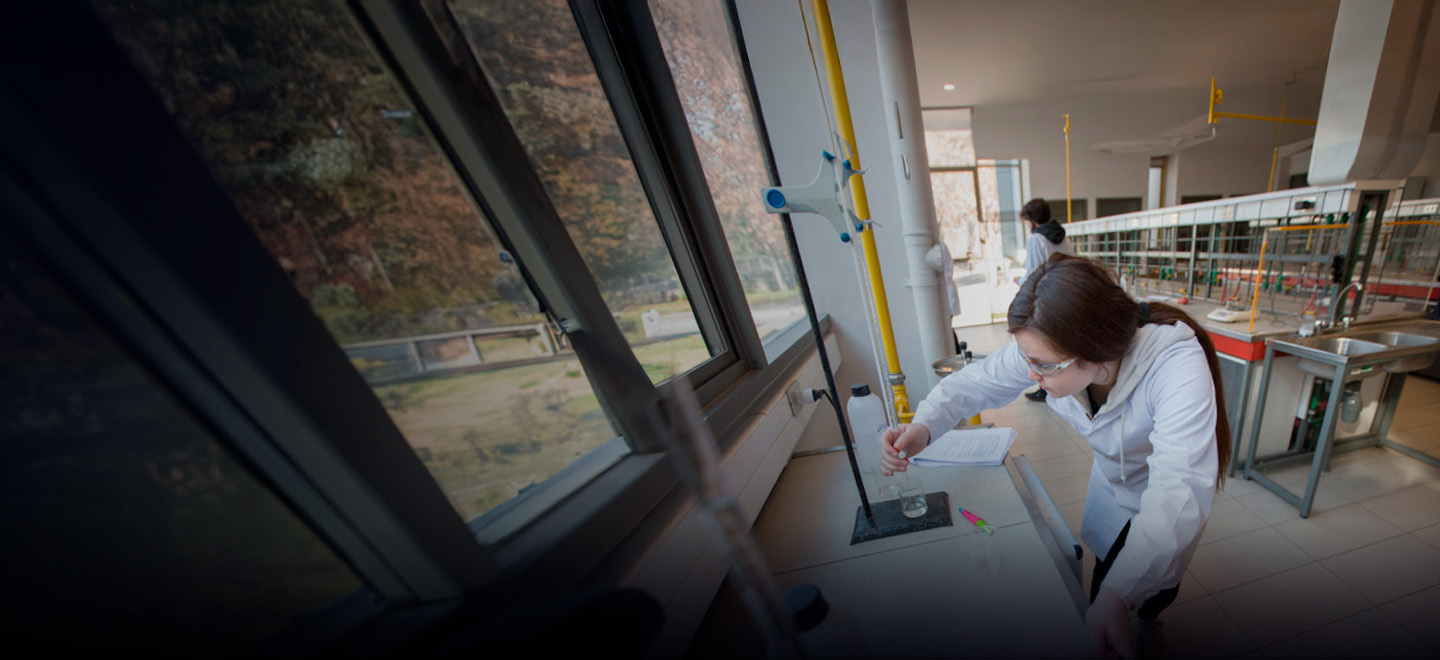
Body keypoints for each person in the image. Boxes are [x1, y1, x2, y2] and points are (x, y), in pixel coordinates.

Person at [880, 254, 1229, 659]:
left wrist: (1116, 597)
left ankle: (1149, 622)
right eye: (1028, 360)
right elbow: (977, 382)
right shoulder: (1049, 345)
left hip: (1163, 496)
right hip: (1114, 485)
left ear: (1094, 353)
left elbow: (1178, 492)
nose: (1030, 374)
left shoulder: (1176, 366)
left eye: (1041, 366)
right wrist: (923, 427)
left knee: (1145, 587)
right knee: (1108, 575)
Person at [1018, 198, 1074, 401]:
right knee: (1062, 340)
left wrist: (1020, 281)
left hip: (1046, 296)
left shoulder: (1036, 239)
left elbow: (1034, 272)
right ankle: (1065, 383)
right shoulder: (1063, 237)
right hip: (1066, 292)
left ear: (1031, 219)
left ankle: (1045, 388)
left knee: (1045, 342)